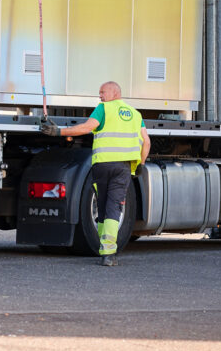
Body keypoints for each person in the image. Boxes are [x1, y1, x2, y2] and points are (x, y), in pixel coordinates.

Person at [40, 81, 150, 266]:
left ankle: (104, 246)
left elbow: (87, 127)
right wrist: (141, 163)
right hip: (123, 168)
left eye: (102, 92)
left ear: (114, 92)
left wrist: (59, 131)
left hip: (102, 166)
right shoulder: (136, 114)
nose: (99, 96)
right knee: (114, 206)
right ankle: (109, 254)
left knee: (102, 206)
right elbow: (146, 142)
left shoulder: (104, 109)